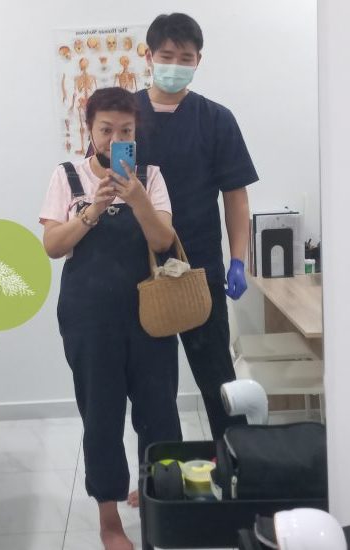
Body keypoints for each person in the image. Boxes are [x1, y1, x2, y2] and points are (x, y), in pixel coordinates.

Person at [39, 87, 182, 550]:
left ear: (136, 133)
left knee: (159, 411)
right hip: (88, 318)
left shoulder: (151, 176)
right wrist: (94, 209)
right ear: (89, 130)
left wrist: (137, 198)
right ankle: (109, 518)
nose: (116, 138)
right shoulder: (67, 176)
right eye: (107, 130)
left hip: (150, 315)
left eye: (126, 131)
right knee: (101, 416)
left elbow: (162, 241)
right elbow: (53, 246)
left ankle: (161, 498)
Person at [136, 13, 259, 441]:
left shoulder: (216, 119)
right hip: (137, 266)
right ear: (148, 56)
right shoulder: (126, 116)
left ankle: (236, 462)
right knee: (151, 383)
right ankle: (159, 468)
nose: (175, 65)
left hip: (199, 266)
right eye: (166, 55)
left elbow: (236, 196)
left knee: (216, 375)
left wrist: (238, 260)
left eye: (185, 58)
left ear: (198, 61)